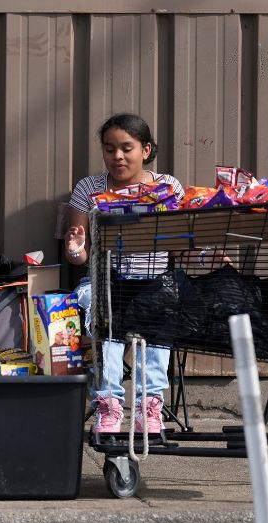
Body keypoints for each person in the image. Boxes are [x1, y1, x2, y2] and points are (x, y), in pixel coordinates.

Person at [65, 113, 182, 435]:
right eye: (109, 149)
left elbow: (183, 241)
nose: (117, 156)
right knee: (105, 316)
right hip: (102, 281)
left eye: (126, 148)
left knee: (161, 308)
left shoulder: (167, 187)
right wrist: (76, 248)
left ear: (146, 150)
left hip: (153, 282)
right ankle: (109, 405)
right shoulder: (88, 188)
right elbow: (78, 257)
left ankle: (150, 405)